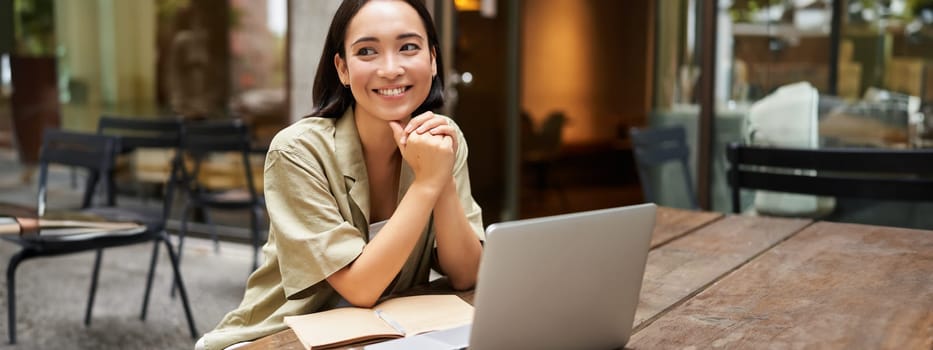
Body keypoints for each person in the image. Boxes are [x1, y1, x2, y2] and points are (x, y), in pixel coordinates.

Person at [195, 0, 484, 349]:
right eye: (367, 51)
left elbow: (467, 274)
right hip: (280, 337)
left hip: (387, 334)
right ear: (342, 69)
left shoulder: (441, 138)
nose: (391, 68)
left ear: (433, 59)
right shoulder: (297, 151)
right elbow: (361, 288)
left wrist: (442, 180)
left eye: (408, 47)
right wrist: (425, 185)